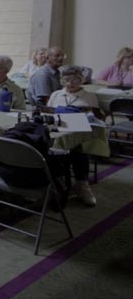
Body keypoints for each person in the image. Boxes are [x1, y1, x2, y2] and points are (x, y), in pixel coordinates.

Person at [47, 66, 98, 206]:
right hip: (57, 131)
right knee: (46, 145)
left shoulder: (89, 96)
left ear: (82, 79)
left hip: (78, 133)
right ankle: (55, 182)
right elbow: (48, 114)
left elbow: (93, 119)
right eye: (67, 79)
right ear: (62, 80)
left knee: (78, 148)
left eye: (75, 79)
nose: (71, 83)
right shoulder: (56, 95)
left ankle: (82, 184)